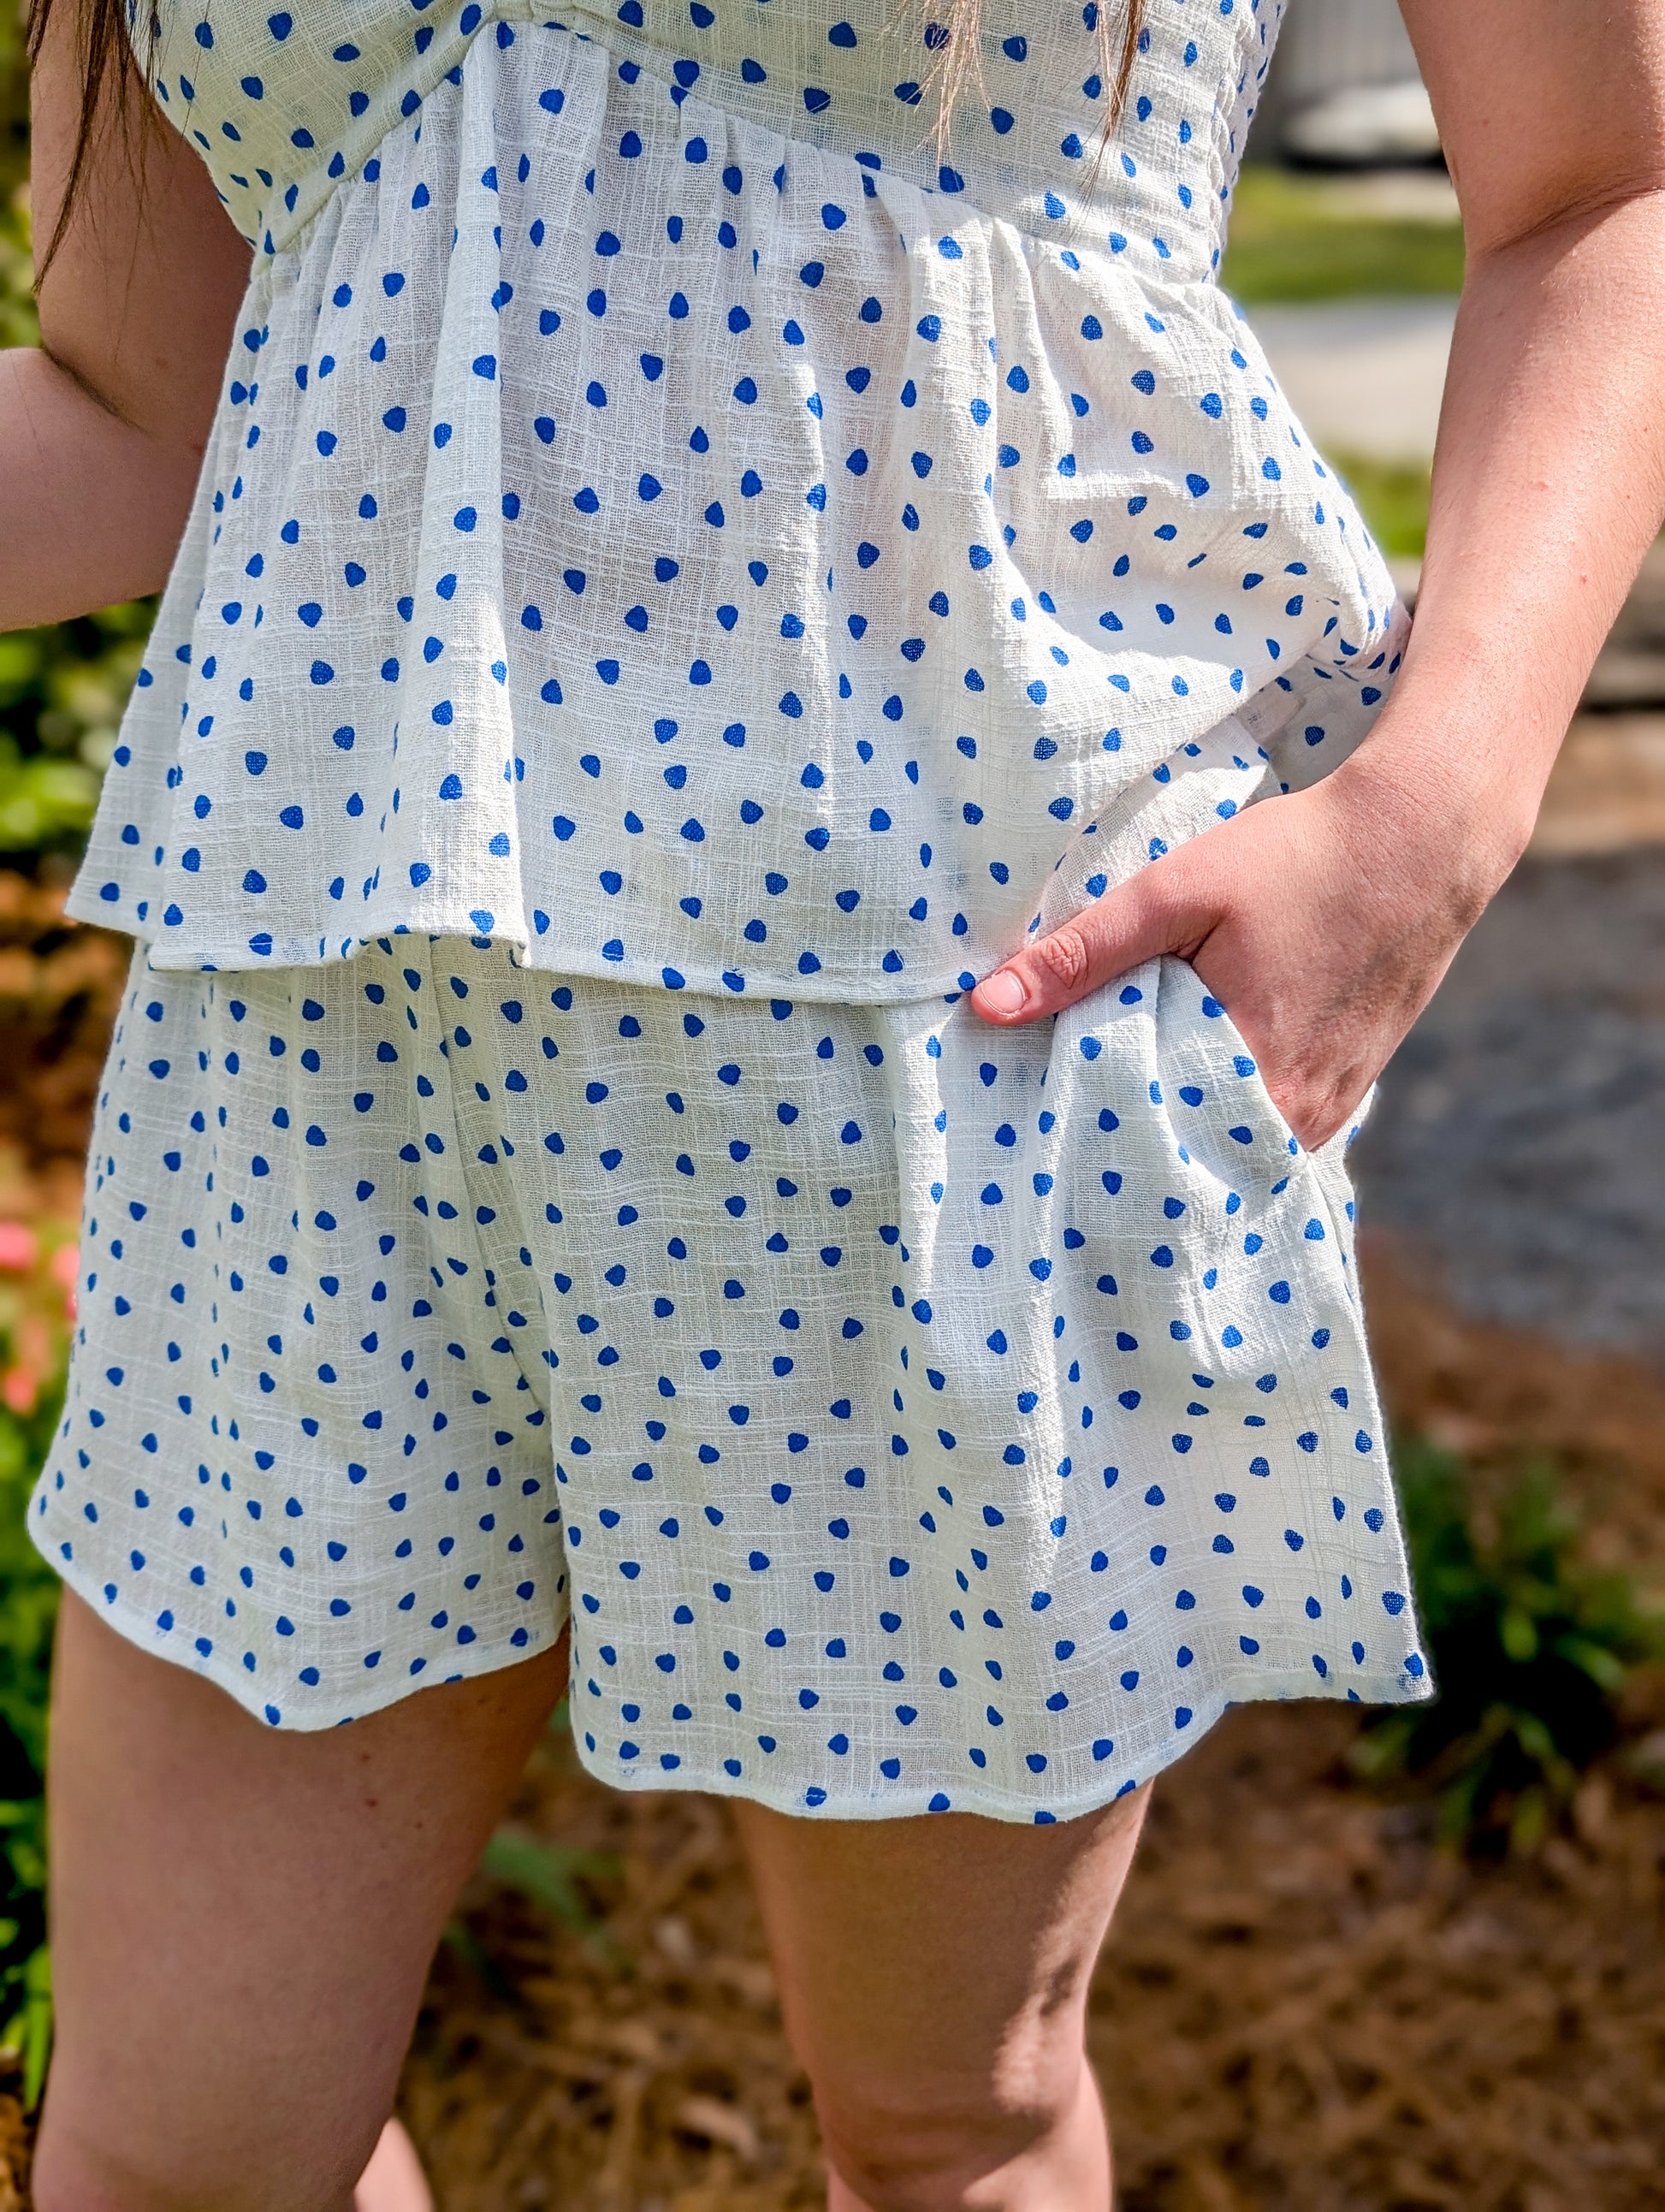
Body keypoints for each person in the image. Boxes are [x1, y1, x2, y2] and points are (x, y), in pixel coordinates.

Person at [4, 0, 1663, 2202]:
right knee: (175, 2163)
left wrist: (1433, 813)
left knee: (940, 2128)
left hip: (956, 1043)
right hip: (313, 1042)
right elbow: (137, 410)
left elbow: (1604, 189)